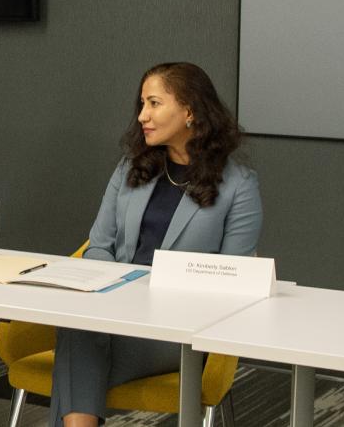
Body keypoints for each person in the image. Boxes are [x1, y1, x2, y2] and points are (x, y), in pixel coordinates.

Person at [51, 62, 263, 427]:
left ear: (190, 111)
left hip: (181, 332)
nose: (142, 116)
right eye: (141, 105)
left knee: (77, 349)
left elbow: (235, 280)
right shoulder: (130, 168)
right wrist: (116, 293)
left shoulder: (239, 186)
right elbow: (99, 246)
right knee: (80, 332)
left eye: (153, 104)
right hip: (115, 316)